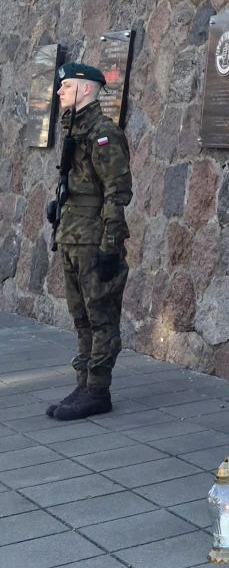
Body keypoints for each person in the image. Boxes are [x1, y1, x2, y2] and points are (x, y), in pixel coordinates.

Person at [45, 63, 133, 421]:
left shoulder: (103, 133)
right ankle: (83, 384)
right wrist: (60, 205)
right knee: (81, 317)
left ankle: (98, 389)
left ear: (85, 89)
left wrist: (110, 246)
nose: (59, 92)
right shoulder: (75, 130)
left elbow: (116, 193)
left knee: (101, 318)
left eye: (65, 86)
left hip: (93, 240)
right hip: (72, 236)